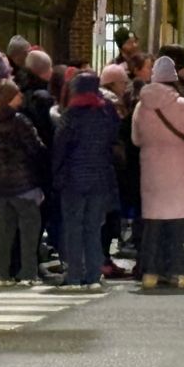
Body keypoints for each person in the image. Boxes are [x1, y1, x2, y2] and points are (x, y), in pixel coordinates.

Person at [132, 57, 184, 289]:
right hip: (182, 175)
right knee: (181, 224)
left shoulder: (140, 106)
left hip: (152, 174)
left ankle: (151, 273)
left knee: (155, 224)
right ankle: (181, 273)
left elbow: (136, 139)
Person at [53, 72, 121, 290]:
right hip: (100, 178)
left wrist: (56, 175)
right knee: (93, 228)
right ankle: (93, 274)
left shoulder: (71, 114)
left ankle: (74, 275)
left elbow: (60, 148)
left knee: (73, 228)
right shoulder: (105, 113)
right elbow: (113, 140)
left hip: (74, 179)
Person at [0, 80, 48, 287]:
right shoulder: (19, 121)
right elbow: (36, 148)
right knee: (29, 231)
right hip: (24, 185)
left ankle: (0, 274)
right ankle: (28, 272)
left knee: (3, 232)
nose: (21, 97)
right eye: (17, 94)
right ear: (9, 98)